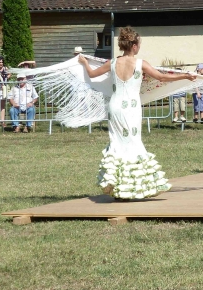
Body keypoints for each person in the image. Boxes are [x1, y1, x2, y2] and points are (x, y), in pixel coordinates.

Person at [78, 26, 196, 200]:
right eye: (138, 44)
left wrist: (84, 62)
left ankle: (117, 184)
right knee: (132, 142)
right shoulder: (140, 63)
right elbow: (162, 77)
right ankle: (133, 186)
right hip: (131, 108)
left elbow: (92, 74)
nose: (139, 47)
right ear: (133, 45)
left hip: (115, 106)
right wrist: (185, 76)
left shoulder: (112, 62)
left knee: (117, 143)